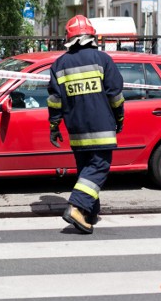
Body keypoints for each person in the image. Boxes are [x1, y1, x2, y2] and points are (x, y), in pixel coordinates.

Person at [47, 15, 125, 234]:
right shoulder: (102, 59)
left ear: (69, 38)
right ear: (92, 36)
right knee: (99, 167)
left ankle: (89, 213)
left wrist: (54, 126)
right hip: (101, 127)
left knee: (86, 170)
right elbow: (115, 95)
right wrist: (119, 118)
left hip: (76, 128)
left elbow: (55, 100)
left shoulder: (59, 64)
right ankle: (77, 206)